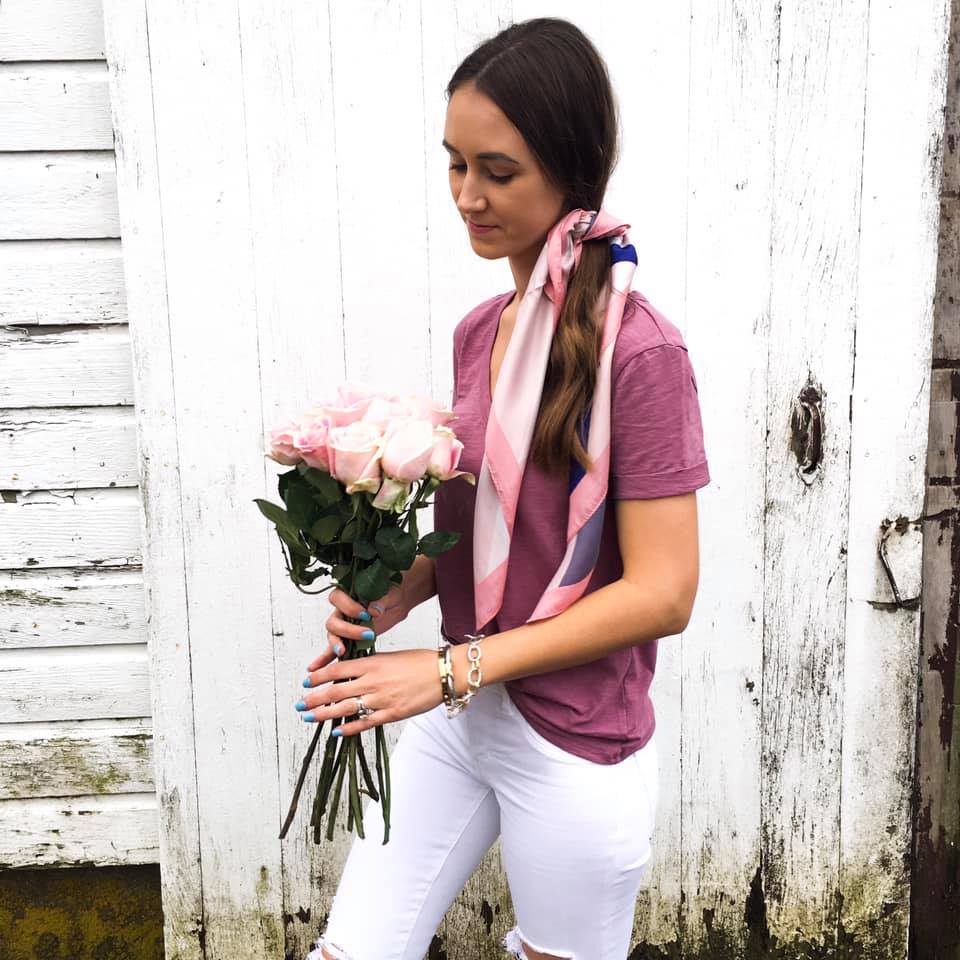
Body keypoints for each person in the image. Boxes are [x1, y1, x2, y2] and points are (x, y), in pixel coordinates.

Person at [298, 17, 710, 960]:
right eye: (454, 164)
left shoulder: (641, 353)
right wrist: (386, 597)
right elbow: (482, 534)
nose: (467, 197)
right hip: (465, 713)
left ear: (572, 169)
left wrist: (445, 670)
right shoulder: (481, 329)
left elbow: (665, 592)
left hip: (574, 740)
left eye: (497, 170)